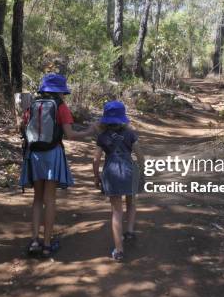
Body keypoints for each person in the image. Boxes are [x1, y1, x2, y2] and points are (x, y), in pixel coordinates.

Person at [19, 73, 96, 258]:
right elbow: (70, 134)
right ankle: (47, 244)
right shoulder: (60, 107)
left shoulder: (31, 104)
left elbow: (22, 128)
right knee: (50, 199)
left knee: (37, 199)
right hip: (52, 155)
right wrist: (89, 131)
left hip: (34, 155)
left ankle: (34, 241)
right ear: (61, 91)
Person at [92, 101, 144, 262]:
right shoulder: (130, 134)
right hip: (130, 171)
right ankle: (129, 231)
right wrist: (141, 171)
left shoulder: (102, 137)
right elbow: (140, 156)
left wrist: (96, 176)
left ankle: (119, 250)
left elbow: (95, 160)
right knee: (132, 201)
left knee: (116, 212)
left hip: (111, 172)